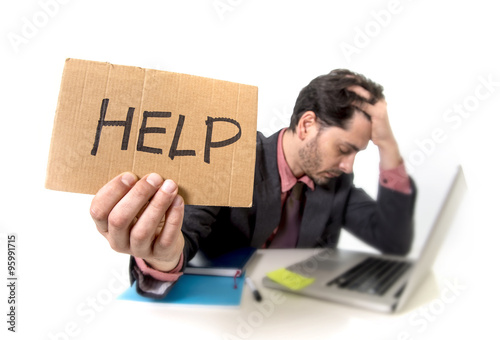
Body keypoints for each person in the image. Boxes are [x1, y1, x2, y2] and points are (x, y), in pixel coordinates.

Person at [90, 69, 416, 298]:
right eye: (344, 149)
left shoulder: (336, 180)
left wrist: (388, 147)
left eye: (357, 153)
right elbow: (182, 240)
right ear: (307, 125)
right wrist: (162, 255)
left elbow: (393, 240)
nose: (348, 165)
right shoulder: (231, 157)